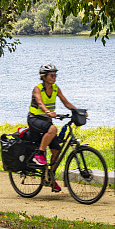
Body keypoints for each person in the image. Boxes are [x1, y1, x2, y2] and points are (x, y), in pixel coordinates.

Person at [27, 63, 80, 192]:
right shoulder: (37, 88)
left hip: (46, 121)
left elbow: (66, 102)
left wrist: (78, 111)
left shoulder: (56, 88)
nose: (54, 77)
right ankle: (39, 154)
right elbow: (40, 103)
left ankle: (49, 177)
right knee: (53, 129)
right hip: (34, 119)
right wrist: (48, 112)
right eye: (51, 75)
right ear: (44, 76)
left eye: (55, 75)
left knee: (56, 150)